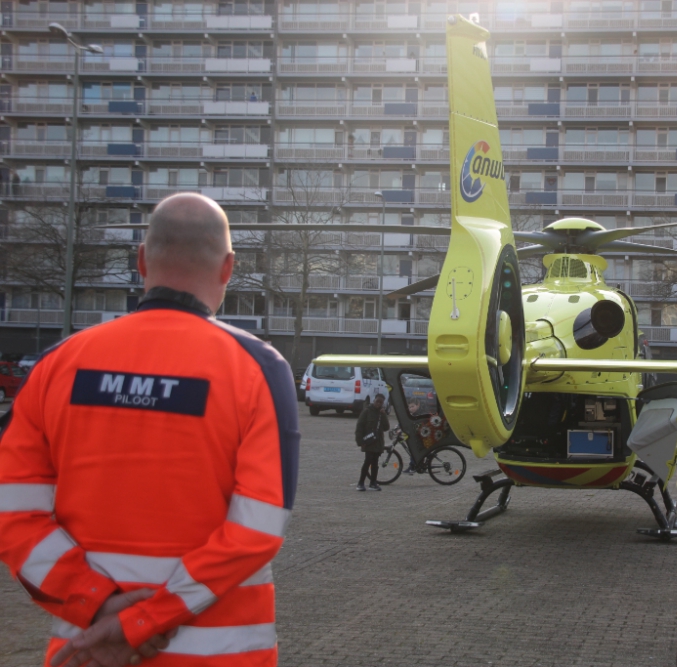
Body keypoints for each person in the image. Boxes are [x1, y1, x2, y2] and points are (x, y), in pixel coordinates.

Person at [0, 193, 300, 667]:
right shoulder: (259, 369)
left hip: (87, 651)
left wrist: (97, 603)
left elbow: (13, 515)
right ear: (228, 268)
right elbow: (257, 528)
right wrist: (146, 620)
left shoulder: (58, 365)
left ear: (141, 261)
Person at [355, 393, 390, 491]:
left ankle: (373, 482)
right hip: (369, 441)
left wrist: (384, 415)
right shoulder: (366, 411)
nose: (378, 404)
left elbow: (386, 427)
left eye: (381, 402)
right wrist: (360, 441)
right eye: (377, 401)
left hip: (378, 442)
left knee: (375, 463)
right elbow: (360, 427)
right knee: (367, 461)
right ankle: (361, 482)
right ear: (374, 401)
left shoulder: (381, 413)